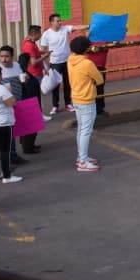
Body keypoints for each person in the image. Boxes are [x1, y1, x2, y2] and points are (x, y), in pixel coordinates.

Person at [39, 14, 88, 115]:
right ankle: (55, 106)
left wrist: (88, 26)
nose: (60, 22)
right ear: (51, 22)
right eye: (58, 21)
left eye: (60, 20)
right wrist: (45, 67)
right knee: (55, 85)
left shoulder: (65, 29)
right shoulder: (46, 34)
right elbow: (43, 52)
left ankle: (68, 104)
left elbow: (76, 27)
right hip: (54, 63)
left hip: (67, 61)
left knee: (67, 83)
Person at [67, 36, 103, 172]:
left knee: (81, 129)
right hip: (87, 100)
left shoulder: (70, 60)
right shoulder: (87, 63)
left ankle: (82, 157)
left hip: (76, 98)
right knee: (86, 131)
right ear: (85, 49)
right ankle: (82, 161)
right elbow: (99, 80)